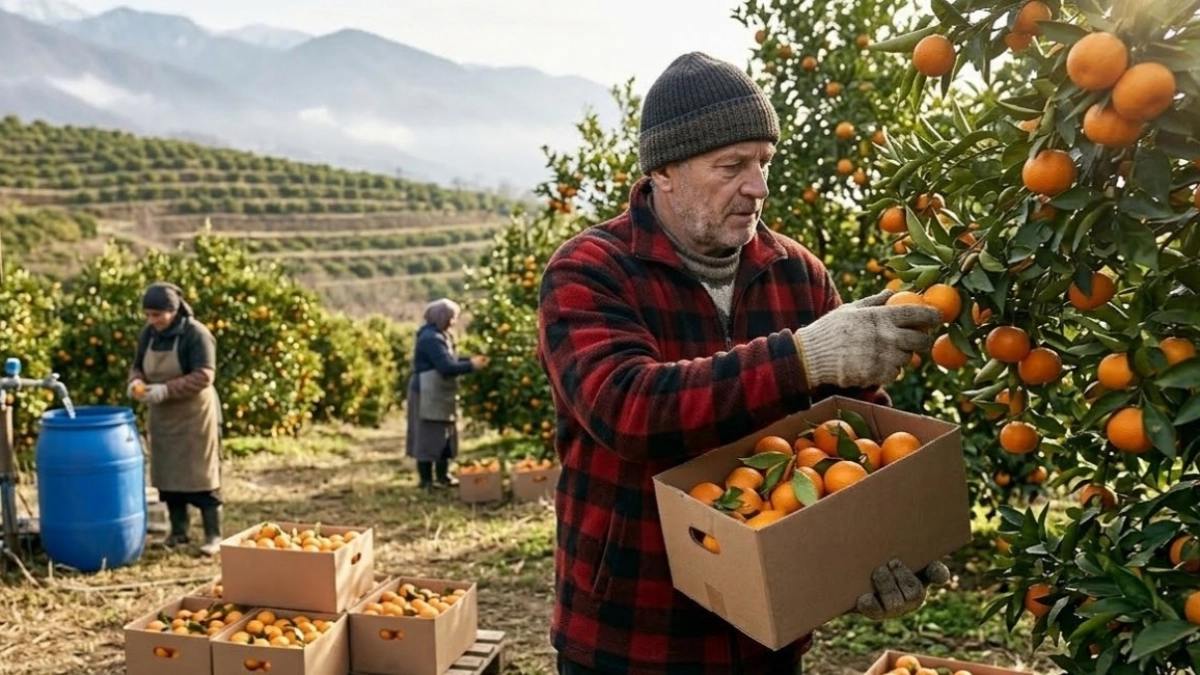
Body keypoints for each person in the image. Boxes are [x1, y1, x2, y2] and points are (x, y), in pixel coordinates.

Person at [537, 52, 951, 675]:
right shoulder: (591, 270)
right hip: (633, 631)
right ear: (665, 172)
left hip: (770, 629)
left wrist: (890, 540)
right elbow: (630, 409)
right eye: (732, 166)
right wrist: (803, 355)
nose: (757, 186)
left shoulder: (797, 274)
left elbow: (856, 438)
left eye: (764, 162)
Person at [126, 282, 223, 557]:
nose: (152, 321)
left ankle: (213, 535)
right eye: (148, 315)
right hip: (162, 415)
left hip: (194, 415)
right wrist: (135, 382)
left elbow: (205, 375)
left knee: (201, 475)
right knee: (168, 475)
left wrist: (167, 389)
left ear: (173, 310)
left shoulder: (196, 334)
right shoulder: (149, 334)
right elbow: (137, 366)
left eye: (157, 315)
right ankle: (178, 532)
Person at [406, 298, 488, 490]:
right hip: (426, 393)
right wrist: (472, 366)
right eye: (452, 318)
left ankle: (443, 476)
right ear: (442, 317)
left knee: (444, 434)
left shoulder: (441, 335)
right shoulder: (430, 338)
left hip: (436, 392)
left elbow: (449, 358)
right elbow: (446, 367)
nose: (454, 322)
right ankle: (426, 481)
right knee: (427, 435)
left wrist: (469, 359)